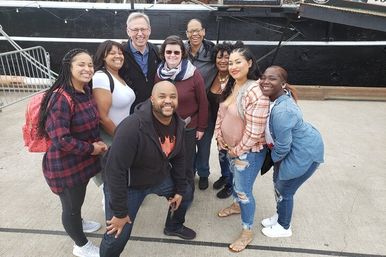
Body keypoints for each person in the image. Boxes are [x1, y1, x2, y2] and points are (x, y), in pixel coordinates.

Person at [100, 81, 196, 257]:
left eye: (172, 97)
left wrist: (180, 190)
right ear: (152, 99)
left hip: (157, 177)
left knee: (188, 191)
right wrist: (121, 212)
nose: (168, 101)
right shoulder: (132, 127)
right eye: (162, 96)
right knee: (117, 234)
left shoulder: (178, 124)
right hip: (129, 185)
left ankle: (173, 226)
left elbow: (181, 158)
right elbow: (114, 171)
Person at [37, 48, 108, 257]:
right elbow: (61, 139)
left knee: (76, 201)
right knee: (70, 207)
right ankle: (81, 246)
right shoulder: (60, 98)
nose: (87, 69)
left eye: (90, 65)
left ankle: (79, 222)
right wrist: (92, 148)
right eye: (81, 64)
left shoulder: (84, 91)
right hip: (65, 166)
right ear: (69, 67)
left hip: (82, 162)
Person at [259, 66, 324, 238]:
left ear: (283, 84)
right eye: (263, 77)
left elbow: (283, 147)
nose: (266, 81)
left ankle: (284, 226)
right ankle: (280, 215)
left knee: (285, 190)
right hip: (291, 150)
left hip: (303, 153)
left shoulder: (283, 110)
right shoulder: (273, 100)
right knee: (278, 185)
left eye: (272, 79)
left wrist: (270, 160)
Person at [215, 45, 269, 252]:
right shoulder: (229, 84)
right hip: (229, 147)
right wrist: (219, 137)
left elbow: (255, 131)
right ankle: (237, 205)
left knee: (243, 189)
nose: (233, 66)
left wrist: (236, 150)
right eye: (230, 63)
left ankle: (247, 230)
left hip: (247, 152)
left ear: (250, 63)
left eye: (238, 62)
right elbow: (222, 113)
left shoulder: (256, 90)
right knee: (236, 182)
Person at [155, 35, 208, 192]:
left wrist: (201, 127)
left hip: (188, 126)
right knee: (169, 159)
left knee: (186, 163)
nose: (172, 55)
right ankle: (173, 188)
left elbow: (203, 102)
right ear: (163, 53)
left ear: (182, 54)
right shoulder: (159, 74)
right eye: (168, 52)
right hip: (166, 127)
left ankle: (186, 193)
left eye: (176, 52)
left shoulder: (193, 74)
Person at [185, 18, 217, 190]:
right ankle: (190, 173)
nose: (195, 34)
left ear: (203, 31)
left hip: (206, 110)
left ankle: (203, 173)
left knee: (204, 148)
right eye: (191, 31)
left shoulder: (213, 52)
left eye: (198, 30)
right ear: (187, 34)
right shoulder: (181, 50)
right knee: (188, 149)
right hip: (187, 111)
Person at [92, 40, 136, 145]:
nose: (118, 56)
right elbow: (102, 118)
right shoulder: (101, 77)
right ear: (103, 57)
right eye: (112, 53)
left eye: (120, 53)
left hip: (123, 135)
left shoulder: (119, 76)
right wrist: (121, 138)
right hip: (112, 139)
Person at [119, 12, 161, 113]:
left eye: (143, 29)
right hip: (129, 112)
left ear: (149, 30)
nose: (140, 33)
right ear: (128, 31)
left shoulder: (156, 51)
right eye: (135, 30)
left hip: (153, 111)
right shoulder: (120, 54)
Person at [207, 42, 234, 199]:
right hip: (215, 122)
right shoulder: (213, 75)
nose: (223, 60)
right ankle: (225, 176)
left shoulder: (235, 78)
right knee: (221, 152)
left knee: (229, 154)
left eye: (226, 57)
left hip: (230, 124)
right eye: (219, 57)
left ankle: (231, 184)